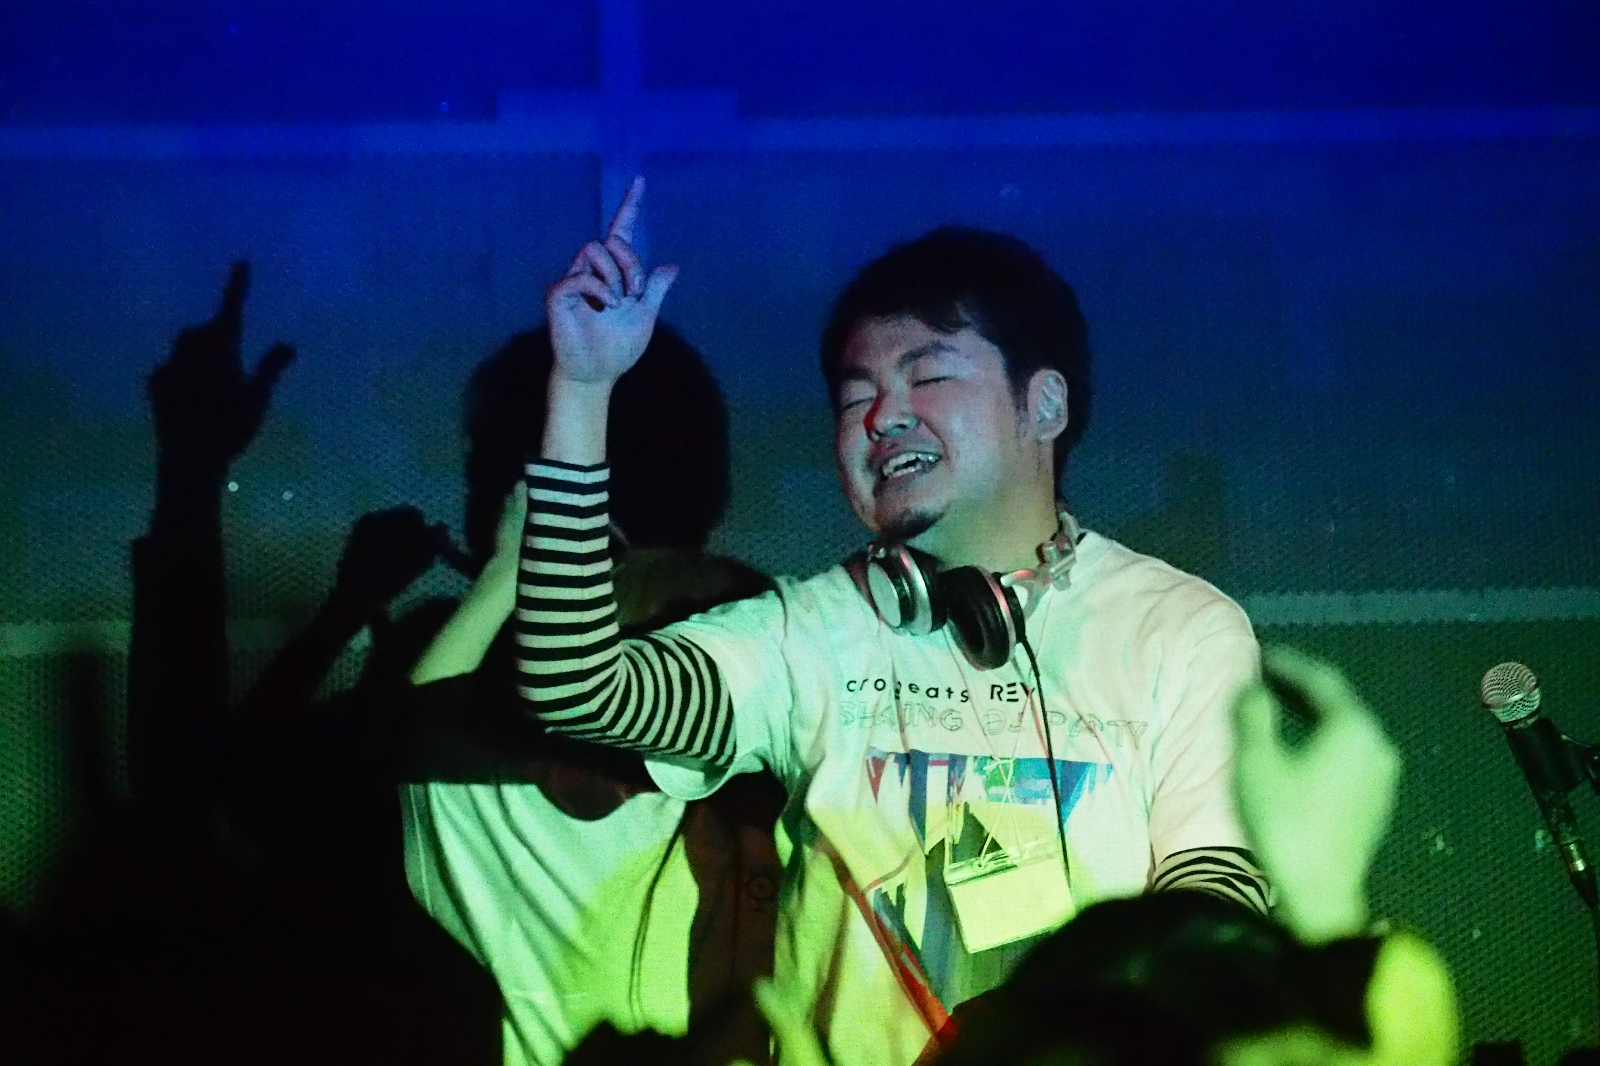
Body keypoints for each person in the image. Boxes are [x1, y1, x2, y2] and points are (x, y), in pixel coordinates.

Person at [508, 177, 1269, 1066]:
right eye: (854, 396)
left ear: (1044, 405)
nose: (883, 416)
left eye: (929, 375)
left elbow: (1215, 889)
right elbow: (574, 684)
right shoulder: (812, 634)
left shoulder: (1179, 628)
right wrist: (582, 389)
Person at [401, 324, 784, 1066]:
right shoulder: (765, 623)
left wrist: (502, 579)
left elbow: (426, 753)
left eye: (483, 467)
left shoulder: (485, 677)